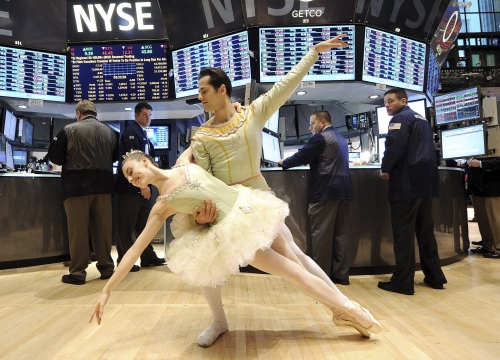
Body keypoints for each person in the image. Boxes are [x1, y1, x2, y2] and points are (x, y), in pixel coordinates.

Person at [176, 34, 356, 346]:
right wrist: (189, 176)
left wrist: (314, 52)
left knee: (295, 256)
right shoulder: (201, 136)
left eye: (204, 91)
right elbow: (204, 179)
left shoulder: (252, 113)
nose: (200, 97)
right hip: (226, 206)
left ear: (222, 90)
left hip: (259, 200)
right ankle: (219, 321)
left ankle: (341, 305)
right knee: (207, 264)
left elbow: (284, 86)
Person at [90, 151, 382, 342]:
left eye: (131, 170)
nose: (131, 178)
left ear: (144, 160)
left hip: (250, 206)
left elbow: (216, 130)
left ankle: (343, 310)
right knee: (292, 271)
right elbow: (132, 251)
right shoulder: (161, 206)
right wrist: (107, 290)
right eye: (127, 176)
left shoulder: (184, 161)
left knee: (297, 261)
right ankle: (350, 309)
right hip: (234, 233)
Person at [377, 88, 447, 295]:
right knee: (425, 232)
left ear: (403, 100)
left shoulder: (400, 119)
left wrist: (385, 168)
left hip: (407, 184)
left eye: (390, 101)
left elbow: (394, 147)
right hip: (426, 183)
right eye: (385, 102)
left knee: (403, 234)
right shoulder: (422, 119)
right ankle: (435, 277)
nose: (387, 105)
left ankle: (403, 281)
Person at [47, 100, 119, 285]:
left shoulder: (69, 130)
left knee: (78, 231)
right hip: (103, 186)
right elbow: (115, 156)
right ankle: (107, 269)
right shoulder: (110, 132)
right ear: (95, 114)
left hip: (76, 187)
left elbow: (55, 157)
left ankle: (78, 273)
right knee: (102, 231)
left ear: (78, 113)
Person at [278, 110, 353, 285]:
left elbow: (302, 155)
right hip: (345, 191)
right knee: (340, 235)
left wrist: (285, 162)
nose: (310, 127)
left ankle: (321, 278)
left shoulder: (321, 138)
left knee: (322, 237)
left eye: (312, 123)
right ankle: (341, 276)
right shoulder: (341, 138)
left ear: (323, 122)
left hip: (325, 191)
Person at [114, 102, 165, 271]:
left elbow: (149, 161)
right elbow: (133, 163)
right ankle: (124, 261)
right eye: (144, 115)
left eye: (150, 115)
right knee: (126, 226)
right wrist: (142, 186)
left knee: (144, 225)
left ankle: (148, 257)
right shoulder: (130, 132)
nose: (148, 118)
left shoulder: (143, 134)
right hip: (130, 189)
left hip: (142, 188)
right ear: (136, 116)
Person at [465, 157, 500, 258]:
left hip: (492, 186)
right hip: (477, 188)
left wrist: (480, 163)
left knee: (495, 218)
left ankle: (498, 248)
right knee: (482, 219)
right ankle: (488, 246)